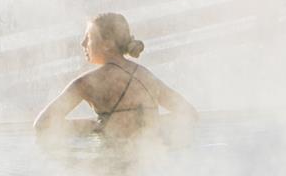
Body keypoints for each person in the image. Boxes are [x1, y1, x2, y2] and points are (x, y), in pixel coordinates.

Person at [35, 11, 194, 145]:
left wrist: (96, 126)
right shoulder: (146, 76)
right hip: (152, 161)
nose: (83, 44)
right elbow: (189, 114)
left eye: (89, 37)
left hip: (111, 161)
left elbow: (42, 125)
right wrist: (147, 124)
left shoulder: (86, 83)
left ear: (107, 44)